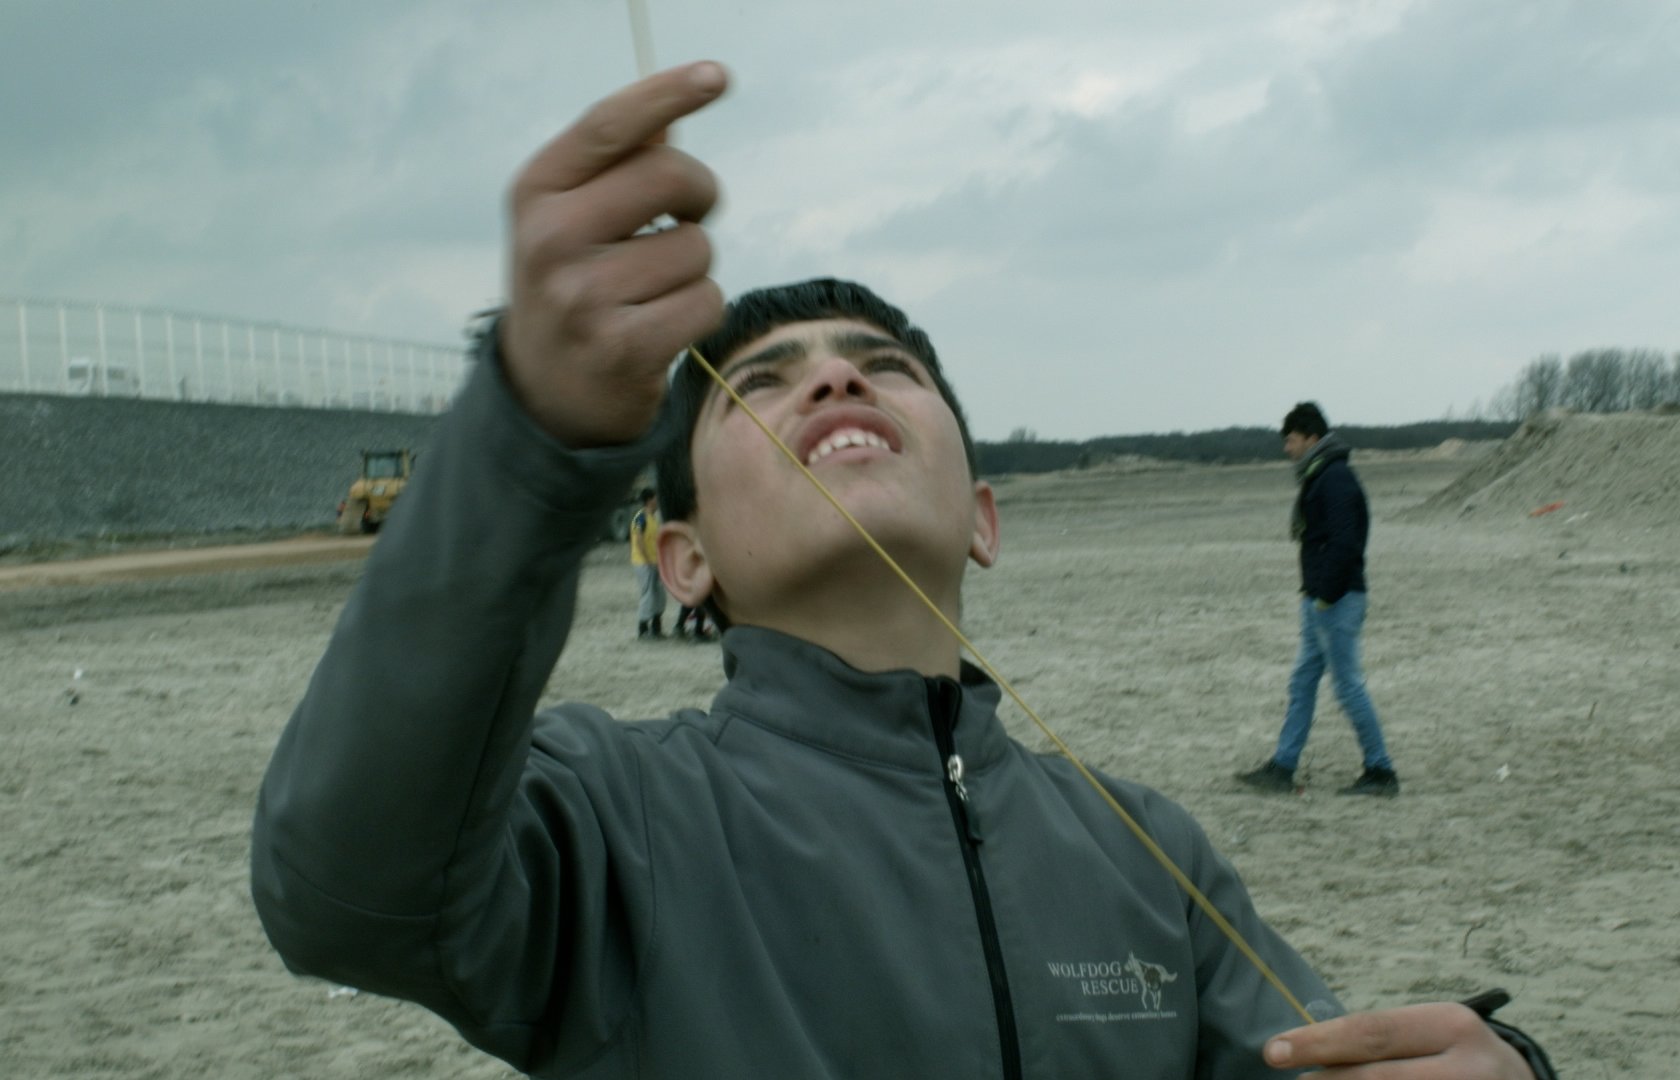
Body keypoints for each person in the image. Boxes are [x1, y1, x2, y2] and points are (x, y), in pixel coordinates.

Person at [250, 63, 1551, 1079]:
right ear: (684, 560)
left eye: (886, 366)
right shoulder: (609, 815)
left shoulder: (1148, 850)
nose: (831, 375)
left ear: (982, 518)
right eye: (761, 385)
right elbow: (345, 895)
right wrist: (530, 437)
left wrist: (1510, 1068)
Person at [1240, 402, 1400, 798]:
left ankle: (1380, 771)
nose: (1287, 449)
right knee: (1303, 682)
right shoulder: (1320, 475)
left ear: (1312, 438)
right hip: (1320, 600)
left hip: (1337, 600)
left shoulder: (1335, 478)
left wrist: (1326, 596)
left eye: (1291, 440)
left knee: (1347, 687)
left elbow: (1347, 542)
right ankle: (1283, 765)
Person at [628, 487, 666, 638]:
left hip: (654, 561)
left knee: (658, 594)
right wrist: (647, 560)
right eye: (655, 498)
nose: (657, 501)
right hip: (643, 562)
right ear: (650, 500)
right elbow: (638, 540)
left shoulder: (653, 518)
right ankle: (643, 628)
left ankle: (656, 626)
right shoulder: (641, 517)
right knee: (648, 594)